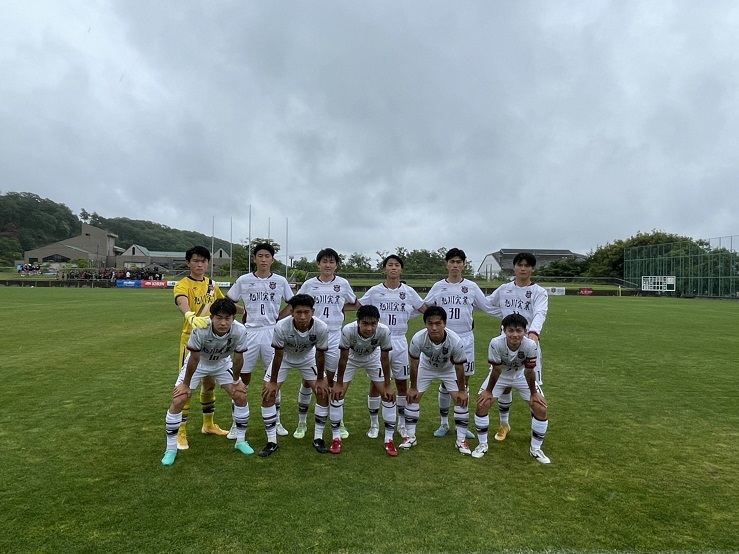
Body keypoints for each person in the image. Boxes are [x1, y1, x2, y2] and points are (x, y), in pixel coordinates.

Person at [161, 298, 252, 466]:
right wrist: (186, 385)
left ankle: (241, 441)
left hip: (222, 364)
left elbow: (238, 358)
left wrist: (236, 381)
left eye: (227, 318)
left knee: (240, 395)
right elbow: (194, 359)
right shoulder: (201, 329)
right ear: (211, 317)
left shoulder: (240, 330)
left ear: (233, 318)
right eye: (219, 318)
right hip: (200, 363)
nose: (223, 323)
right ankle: (171, 449)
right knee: (179, 399)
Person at [226, 242, 293, 438]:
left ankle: (276, 421)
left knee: (273, 377)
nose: (263, 260)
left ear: (272, 260)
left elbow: (293, 303)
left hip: (272, 332)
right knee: (242, 377)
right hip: (249, 333)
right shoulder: (244, 280)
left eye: (267, 256)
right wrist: (243, 312)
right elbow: (229, 302)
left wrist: (279, 318)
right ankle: (236, 423)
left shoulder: (280, 281)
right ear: (254, 259)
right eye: (260, 256)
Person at [423, 248, 490, 440]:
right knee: (446, 382)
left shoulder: (471, 287)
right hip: (444, 339)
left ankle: (462, 424)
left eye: (458, 262)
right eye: (451, 261)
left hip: (466, 339)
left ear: (464, 265)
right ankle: (444, 423)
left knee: (464, 382)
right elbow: (424, 306)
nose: (455, 265)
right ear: (446, 264)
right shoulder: (438, 286)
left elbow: (487, 306)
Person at [484, 252, 548, 442]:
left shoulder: (539, 292)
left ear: (532, 269)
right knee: (503, 385)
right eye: (520, 265)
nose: (523, 268)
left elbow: (540, 313)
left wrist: (534, 333)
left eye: (527, 265)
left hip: (528, 344)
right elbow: (486, 303)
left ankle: (535, 430)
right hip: (504, 345)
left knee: (533, 388)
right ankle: (504, 424)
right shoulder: (504, 289)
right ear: (514, 267)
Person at [359, 254, 425, 439]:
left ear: (401, 269)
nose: (393, 268)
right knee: (376, 383)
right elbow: (359, 307)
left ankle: (401, 423)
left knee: (402, 382)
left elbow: (423, 309)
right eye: (390, 265)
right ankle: (374, 424)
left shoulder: (409, 292)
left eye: (397, 265)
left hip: (400, 341)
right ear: (384, 269)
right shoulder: (374, 291)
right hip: (378, 341)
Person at [173, 246, 232, 450]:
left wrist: (245, 311)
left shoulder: (212, 285)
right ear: (188, 263)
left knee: (209, 384)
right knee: (186, 387)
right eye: (196, 261)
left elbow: (224, 304)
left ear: (208, 263)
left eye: (203, 261)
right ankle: (180, 432)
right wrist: (189, 315)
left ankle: (208, 425)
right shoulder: (183, 284)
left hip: (212, 342)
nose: (200, 264)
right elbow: (181, 301)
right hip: (191, 341)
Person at [295, 248, 358, 440]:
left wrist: (340, 308)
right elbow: (297, 304)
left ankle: (338, 420)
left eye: (331, 262)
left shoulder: (343, 284)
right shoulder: (309, 284)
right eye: (324, 261)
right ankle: (302, 422)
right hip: (311, 334)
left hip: (334, 336)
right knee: (308, 379)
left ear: (336, 265)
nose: (328, 265)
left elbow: (355, 303)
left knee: (332, 380)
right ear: (318, 264)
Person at [258, 294, 331, 457]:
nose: (303, 316)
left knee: (323, 392)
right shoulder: (281, 326)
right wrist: (273, 382)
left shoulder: (321, 327)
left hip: (308, 359)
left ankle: (318, 438)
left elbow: (320, 355)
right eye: (299, 312)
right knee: (268, 394)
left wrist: (320, 379)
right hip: (284, 358)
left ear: (313, 312)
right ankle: (271, 441)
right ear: (291, 312)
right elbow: (278, 355)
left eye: (306, 312)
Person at [473, 313, 550, 463]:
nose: (515, 335)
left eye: (519, 330)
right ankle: (482, 445)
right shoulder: (496, 343)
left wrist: (534, 393)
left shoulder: (531, 345)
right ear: (504, 330)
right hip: (500, 376)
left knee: (540, 408)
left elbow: (529, 371)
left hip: (521, 376)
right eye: (511, 330)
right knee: (482, 405)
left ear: (525, 331)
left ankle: (535, 449)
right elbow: (496, 370)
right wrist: (488, 391)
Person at [399, 306, 471, 455]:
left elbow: (459, 367)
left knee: (461, 400)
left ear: (445, 323)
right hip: (426, 367)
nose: (434, 328)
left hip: (448, 369)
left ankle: (461, 440)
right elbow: (414, 364)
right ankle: (410, 437)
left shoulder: (455, 341)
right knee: (413, 397)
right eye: (430, 323)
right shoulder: (418, 339)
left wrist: (462, 390)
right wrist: (413, 387)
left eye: (438, 323)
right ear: (425, 324)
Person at [330, 305, 397, 456]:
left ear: (378, 322)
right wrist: (338, 384)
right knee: (337, 394)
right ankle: (336, 438)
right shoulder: (348, 330)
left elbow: (385, 359)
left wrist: (388, 384)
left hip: (373, 358)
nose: (369, 328)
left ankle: (389, 439)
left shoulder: (384, 331)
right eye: (365, 323)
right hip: (351, 359)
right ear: (358, 322)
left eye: (373, 324)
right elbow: (343, 358)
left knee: (388, 396)